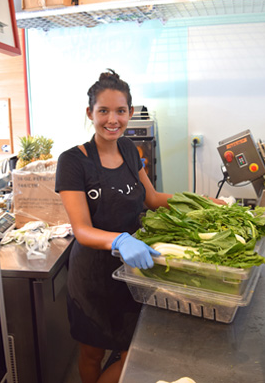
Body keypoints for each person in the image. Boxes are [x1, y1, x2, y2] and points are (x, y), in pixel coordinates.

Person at [55, 69, 172, 383]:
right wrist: (121, 240)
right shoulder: (73, 161)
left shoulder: (132, 152)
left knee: (130, 350)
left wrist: (198, 202)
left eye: (120, 111)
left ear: (130, 113)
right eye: (103, 110)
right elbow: (81, 229)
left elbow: (152, 198)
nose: (112, 119)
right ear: (90, 113)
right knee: (92, 353)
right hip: (92, 277)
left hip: (132, 273)